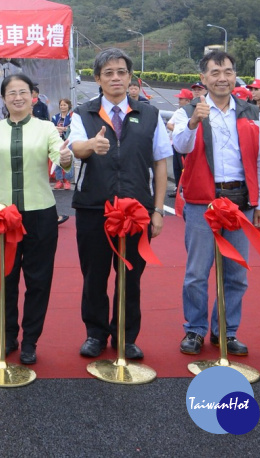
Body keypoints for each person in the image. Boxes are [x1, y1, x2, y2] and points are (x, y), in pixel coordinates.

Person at [68, 48, 171, 361]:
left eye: (121, 72)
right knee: (94, 275)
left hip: (136, 211)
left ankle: (126, 336)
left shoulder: (149, 114)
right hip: (94, 208)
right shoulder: (82, 113)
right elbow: (75, 148)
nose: (115, 78)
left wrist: (157, 210)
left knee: (131, 276)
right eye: (108, 73)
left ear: (129, 78)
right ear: (97, 78)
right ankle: (95, 334)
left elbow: (161, 164)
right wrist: (92, 144)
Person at [172, 50, 260, 356]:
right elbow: (180, 147)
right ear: (203, 78)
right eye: (215, 72)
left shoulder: (250, 112)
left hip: (240, 201)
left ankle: (226, 331)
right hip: (203, 201)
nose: (222, 78)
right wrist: (192, 122)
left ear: (235, 76)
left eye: (228, 72)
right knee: (197, 272)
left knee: (236, 273)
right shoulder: (189, 110)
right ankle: (195, 329)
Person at [0, 73, 73, 365]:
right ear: (3, 99)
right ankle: (7, 335)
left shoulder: (46, 128)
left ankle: (30, 340)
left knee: (38, 280)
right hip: (4, 217)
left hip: (41, 213)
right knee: (6, 279)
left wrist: (66, 158)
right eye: (11, 93)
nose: (17, 97)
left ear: (33, 97)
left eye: (23, 92)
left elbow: (60, 156)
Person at [168, 88, 195, 187]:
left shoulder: (194, 112)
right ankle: (177, 188)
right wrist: (180, 131)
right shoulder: (179, 112)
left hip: (187, 147)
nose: (179, 101)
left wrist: (184, 132)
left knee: (185, 168)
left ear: (188, 101)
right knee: (177, 168)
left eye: (181, 99)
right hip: (176, 144)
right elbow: (169, 124)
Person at [51, 99, 75, 190]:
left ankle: (67, 180)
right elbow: (52, 127)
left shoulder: (72, 117)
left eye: (65, 105)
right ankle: (59, 180)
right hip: (57, 141)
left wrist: (64, 129)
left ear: (69, 106)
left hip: (68, 141)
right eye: (61, 105)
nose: (62, 107)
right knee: (57, 159)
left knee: (68, 158)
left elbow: (72, 127)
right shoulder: (55, 117)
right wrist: (59, 128)